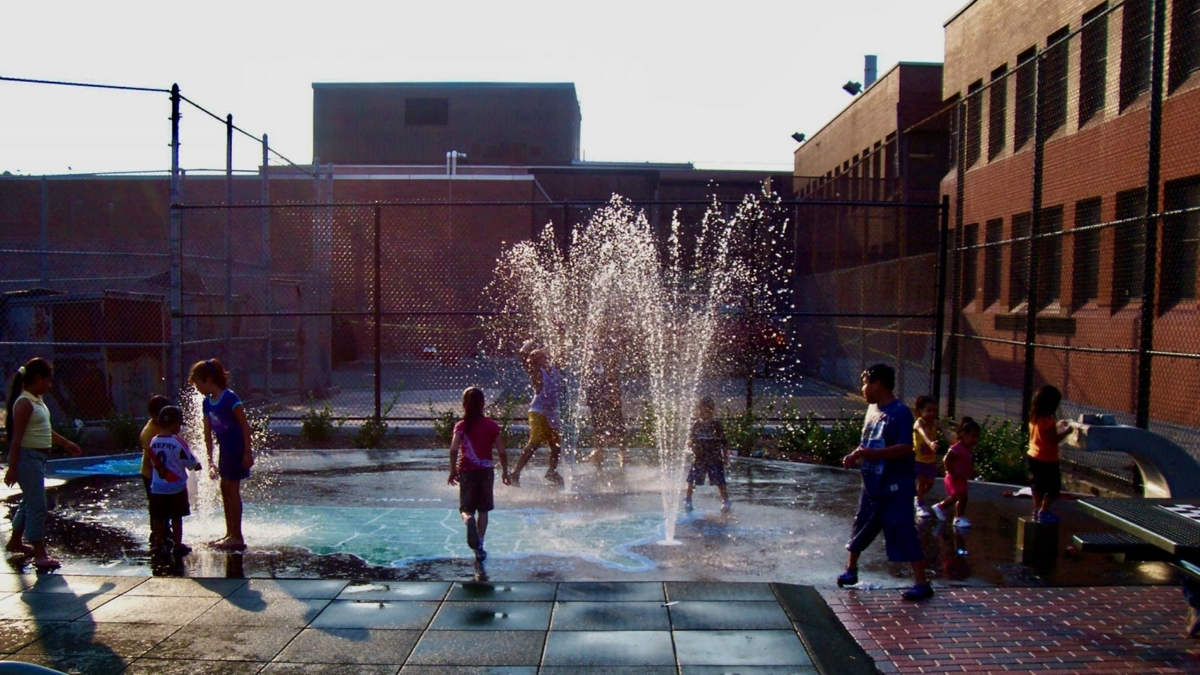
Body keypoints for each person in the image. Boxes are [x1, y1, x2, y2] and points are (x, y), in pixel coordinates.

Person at [838, 363, 933, 602]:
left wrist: (871, 454)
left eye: (865, 382)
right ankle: (851, 570)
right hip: (872, 483)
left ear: (877, 383)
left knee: (903, 529)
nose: (863, 388)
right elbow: (867, 443)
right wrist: (856, 455)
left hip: (895, 486)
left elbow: (905, 447)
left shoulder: (899, 413)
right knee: (861, 524)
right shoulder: (872, 410)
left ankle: (921, 583)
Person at [3, 358, 82, 570]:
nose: (49, 386)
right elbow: (16, 438)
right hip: (26, 459)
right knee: (38, 506)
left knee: (29, 501)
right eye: (48, 381)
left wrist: (66, 443)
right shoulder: (24, 403)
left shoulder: (36, 400)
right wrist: (12, 467)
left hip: (36, 458)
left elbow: (46, 430)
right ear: (37, 378)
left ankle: (15, 542)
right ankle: (40, 554)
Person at [189, 358, 254, 550]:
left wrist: (248, 452)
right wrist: (210, 461)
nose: (197, 388)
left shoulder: (230, 398)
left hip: (236, 448)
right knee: (224, 488)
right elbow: (207, 434)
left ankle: (237, 536)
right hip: (225, 449)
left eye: (198, 384)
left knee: (231, 489)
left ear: (208, 380)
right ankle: (229, 533)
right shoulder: (207, 403)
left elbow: (244, 425)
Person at [447, 387, 509, 562]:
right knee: (483, 510)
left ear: (464, 405)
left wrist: (452, 470)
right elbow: (502, 452)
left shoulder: (461, 426)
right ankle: (479, 544)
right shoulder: (491, 425)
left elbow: (453, 449)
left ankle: (468, 521)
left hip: (467, 471)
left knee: (466, 509)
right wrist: (505, 472)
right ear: (483, 404)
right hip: (486, 471)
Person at [147, 405, 202, 555]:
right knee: (176, 517)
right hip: (176, 487)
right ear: (174, 424)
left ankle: (157, 543)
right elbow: (191, 463)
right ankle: (178, 544)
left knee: (158, 517)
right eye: (179, 424)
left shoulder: (153, 441)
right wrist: (199, 466)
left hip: (157, 487)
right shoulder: (178, 442)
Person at [509, 341, 563, 486]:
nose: (545, 357)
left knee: (556, 445)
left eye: (545, 356)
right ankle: (515, 473)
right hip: (538, 412)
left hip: (551, 414)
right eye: (541, 357)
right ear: (536, 361)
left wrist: (561, 333)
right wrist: (529, 343)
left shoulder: (554, 369)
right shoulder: (537, 373)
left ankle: (551, 471)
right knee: (535, 442)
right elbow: (522, 353)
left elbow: (561, 349)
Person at [1027, 384, 1071, 523]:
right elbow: (1053, 439)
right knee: (1053, 487)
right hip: (1047, 459)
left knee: (1037, 486)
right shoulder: (1049, 421)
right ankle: (1045, 511)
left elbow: (1043, 435)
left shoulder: (1034, 417)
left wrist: (1058, 426)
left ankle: (1037, 509)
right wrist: (1067, 432)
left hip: (1033, 455)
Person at [931, 417, 980, 528]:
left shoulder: (967, 449)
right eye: (973, 436)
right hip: (954, 477)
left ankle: (940, 507)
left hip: (961, 477)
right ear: (963, 435)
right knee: (962, 497)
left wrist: (973, 471)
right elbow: (946, 460)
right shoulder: (957, 448)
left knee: (956, 497)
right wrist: (951, 472)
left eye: (977, 437)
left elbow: (965, 464)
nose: (975, 440)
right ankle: (958, 518)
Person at [685, 396, 731, 513]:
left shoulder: (716, 425)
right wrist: (690, 445)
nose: (704, 413)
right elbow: (691, 439)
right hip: (699, 458)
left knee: (720, 481)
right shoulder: (696, 424)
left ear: (711, 411)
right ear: (698, 410)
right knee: (692, 480)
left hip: (714, 458)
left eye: (707, 411)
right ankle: (688, 499)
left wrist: (725, 457)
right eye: (701, 410)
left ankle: (725, 500)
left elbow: (724, 442)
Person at [581, 356, 627, 470]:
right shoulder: (592, 364)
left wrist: (613, 396)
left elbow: (612, 379)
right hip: (597, 400)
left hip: (610, 399)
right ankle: (599, 451)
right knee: (598, 426)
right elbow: (589, 381)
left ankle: (622, 454)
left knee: (618, 425)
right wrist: (590, 400)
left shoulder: (608, 363)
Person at [912, 395, 954, 519]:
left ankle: (918, 497)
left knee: (930, 483)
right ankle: (919, 503)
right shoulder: (919, 423)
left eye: (934, 411)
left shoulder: (936, 423)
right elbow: (922, 433)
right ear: (920, 411)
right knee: (922, 481)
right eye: (928, 410)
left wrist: (954, 442)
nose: (932, 414)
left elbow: (946, 433)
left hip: (930, 460)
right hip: (918, 459)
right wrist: (929, 442)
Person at [140, 395, 172, 543]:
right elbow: (154, 457)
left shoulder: (165, 424)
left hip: (164, 473)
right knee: (156, 504)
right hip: (151, 474)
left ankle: (166, 529)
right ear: (154, 415)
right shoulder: (148, 433)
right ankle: (157, 534)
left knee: (167, 502)